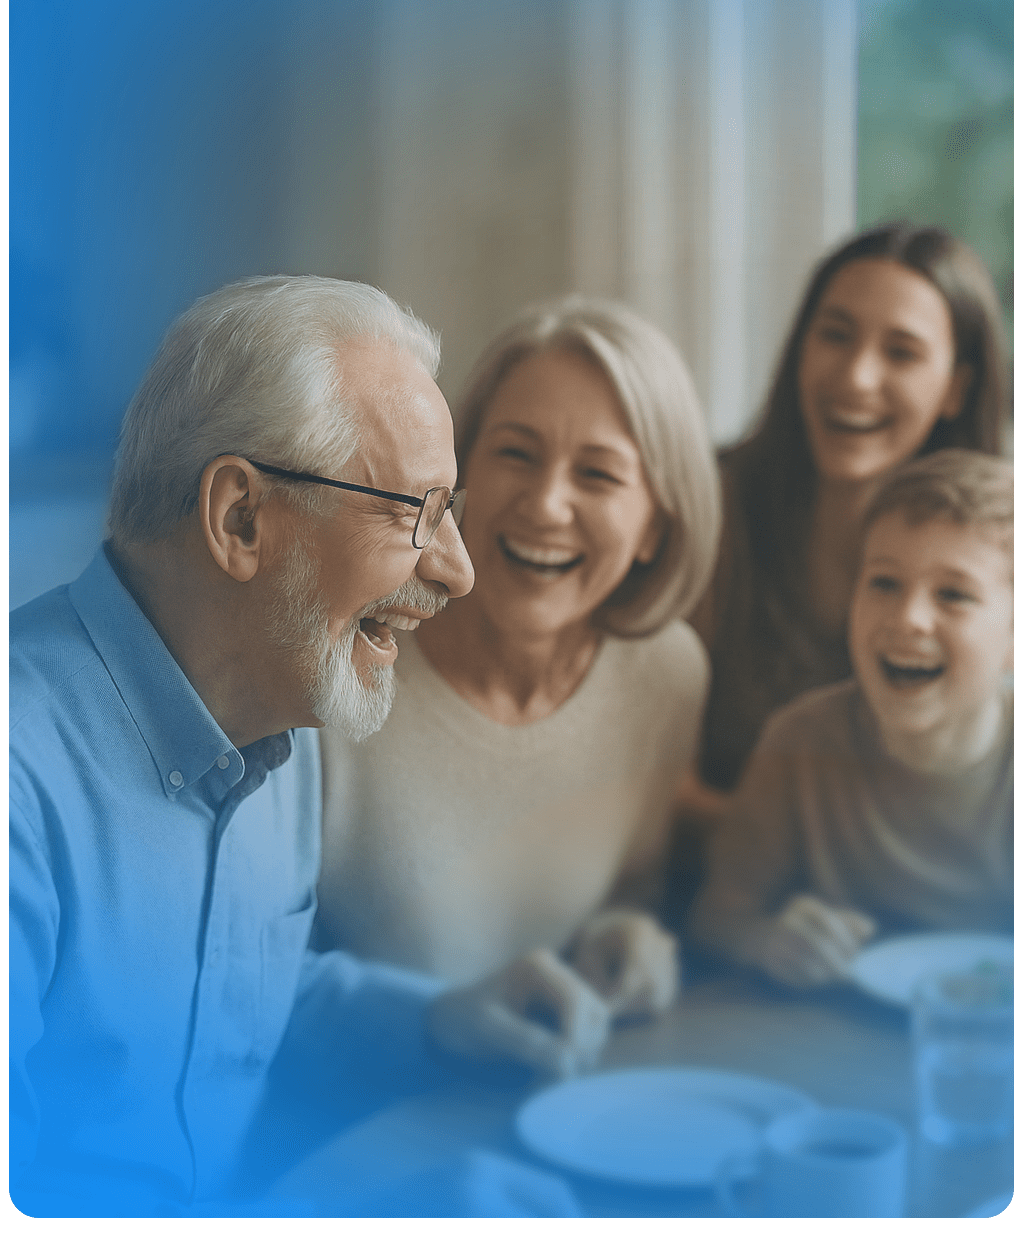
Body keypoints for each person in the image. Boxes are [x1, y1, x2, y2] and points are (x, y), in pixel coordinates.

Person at [8, 276, 596, 1217]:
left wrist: (437, 1022)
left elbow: (229, 998)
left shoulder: (282, 704)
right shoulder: (18, 781)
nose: (459, 567)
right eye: (418, 510)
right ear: (240, 518)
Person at [316, 294, 721, 1036]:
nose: (545, 503)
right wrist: (430, 1025)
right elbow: (242, 983)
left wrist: (625, 940)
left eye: (598, 475)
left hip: (550, 1103)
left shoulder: (667, 673)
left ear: (657, 527)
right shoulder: (339, 664)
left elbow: (628, 889)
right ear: (456, 479)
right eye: (515, 454)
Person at [694, 221, 1011, 795]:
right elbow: (652, 783)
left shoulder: (1000, 555)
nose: (857, 376)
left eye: (902, 352)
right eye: (836, 335)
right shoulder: (713, 510)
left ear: (956, 389)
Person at [689, 450, 1013, 987]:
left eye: (953, 594)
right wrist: (766, 940)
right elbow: (716, 917)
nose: (908, 617)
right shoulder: (798, 741)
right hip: (829, 1040)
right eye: (884, 583)